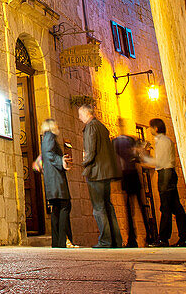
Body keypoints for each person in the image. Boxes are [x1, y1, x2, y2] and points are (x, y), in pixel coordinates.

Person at [78, 103, 123, 248]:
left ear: (86, 114)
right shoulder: (101, 126)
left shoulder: (91, 127)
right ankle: (116, 240)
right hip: (105, 172)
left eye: (80, 114)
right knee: (108, 205)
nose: (79, 118)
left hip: (96, 172)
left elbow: (90, 150)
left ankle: (105, 240)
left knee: (99, 208)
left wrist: (84, 162)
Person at [140, 118, 186, 247]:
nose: (149, 129)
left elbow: (160, 162)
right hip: (169, 173)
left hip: (165, 174)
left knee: (166, 207)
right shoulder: (165, 141)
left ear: (156, 128)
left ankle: (163, 238)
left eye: (150, 127)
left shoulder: (163, 142)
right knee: (176, 207)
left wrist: (144, 157)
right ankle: (184, 238)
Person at [113, 118, 156, 247]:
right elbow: (138, 156)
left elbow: (116, 159)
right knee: (139, 206)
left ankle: (134, 238)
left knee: (131, 208)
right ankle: (148, 236)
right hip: (131, 174)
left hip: (127, 174)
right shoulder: (130, 140)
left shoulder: (116, 141)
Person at [36, 118, 75, 248]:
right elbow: (49, 155)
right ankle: (63, 240)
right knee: (65, 206)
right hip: (56, 180)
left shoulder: (46, 138)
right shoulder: (49, 137)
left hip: (52, 180)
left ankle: (58, 242)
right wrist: (61, 160)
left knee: (57, 210)